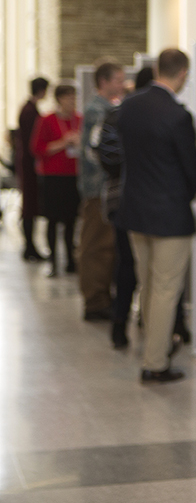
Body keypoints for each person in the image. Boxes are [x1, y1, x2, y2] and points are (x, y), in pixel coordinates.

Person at [115, 49, 196, 383]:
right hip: (170, 215)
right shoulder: (178, 115)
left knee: (148, 283)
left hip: (134, 211)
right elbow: (192, 169)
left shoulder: (130, 107)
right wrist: (184, 197)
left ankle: (154, 349)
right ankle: (155, 362)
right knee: (166, 289)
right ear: (181, 74)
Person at [98, 67, 154, 350]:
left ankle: (128, 323)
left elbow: (106, 157)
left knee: (134, 266)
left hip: (130, 200)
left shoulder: (119, 115)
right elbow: (107, 156)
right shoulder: (122, 115)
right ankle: (126, 323)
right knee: (135, 266)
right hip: (133, 201)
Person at [77, 61, 126, 321]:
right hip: (99, 190)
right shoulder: (99, 111)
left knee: (104, 245)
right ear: (104, 82)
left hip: (102, 189)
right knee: (97, 245)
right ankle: (95, 300)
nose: (123, 84)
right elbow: (99, 153)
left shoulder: (103, 109)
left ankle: (100, 297)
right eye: (118, 79)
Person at [31, 84, 82, 277]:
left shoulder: (79, 119)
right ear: (59, 99)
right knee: (53, 220)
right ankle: (53, 261)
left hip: (73, 175)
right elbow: (37, 148)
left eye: (74, 97)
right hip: (52, 176)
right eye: (68, 98)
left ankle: (70, 259)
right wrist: (63, 143)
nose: (72, 102)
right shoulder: (47, 120)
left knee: (71, 220)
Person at [17, 77, 49, 261]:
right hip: (29, 164)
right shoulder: (29, 111)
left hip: (29, 163)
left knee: (31, 204)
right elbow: (33, 141)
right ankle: (29, 246)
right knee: (29, 205)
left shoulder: (30, 109)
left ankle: (30, 246)